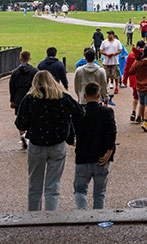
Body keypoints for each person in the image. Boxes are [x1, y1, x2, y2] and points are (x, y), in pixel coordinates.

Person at [15, 71, 84, 211]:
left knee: (35, 185)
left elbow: (20, 124)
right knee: (53, 186)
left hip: (36, 144)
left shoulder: (30, 99)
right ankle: (50, 217)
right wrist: (67, 122)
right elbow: (80, 111)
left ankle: (33, 217)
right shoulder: (62, 97)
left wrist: (31, 123)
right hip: (57, 144)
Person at [72, 82, 116, 210]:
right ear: (98, 95)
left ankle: (83, 212)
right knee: (99, 194)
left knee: (80, 191)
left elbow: (71, 129)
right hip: (101, 156)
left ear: (84, 95)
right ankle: (97, 217)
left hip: (83, 156)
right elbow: (111, 132)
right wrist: (109, 151)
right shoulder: (107, 112)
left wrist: (72, 140)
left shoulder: (79, 113)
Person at [9, 51, 37, 150]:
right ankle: (29, 137)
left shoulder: (15, 72)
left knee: (20, 118)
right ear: (30, 58)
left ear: (20, 59)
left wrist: (12, 100)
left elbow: (12, 88)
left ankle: (22, 136)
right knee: (31, 117)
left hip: (18, 98)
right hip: (31, 97)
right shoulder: (35, 71)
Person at [128, 44, 147, 132]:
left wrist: (137, 60)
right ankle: (145, 122)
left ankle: (141, 118)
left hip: (140, 86)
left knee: (141, 104)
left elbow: (131, 72)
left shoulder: (138, 62)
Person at [123, 40, 144, 123]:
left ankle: (133, 111)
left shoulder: (131, 55)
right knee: (142, 99)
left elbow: (127, 67)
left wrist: (125, 79)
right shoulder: (145, 55)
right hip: (142, 79)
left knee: (135, 97)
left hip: (133, 79)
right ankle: (139, 116)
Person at [100, 30, 123, 96]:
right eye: (108, 34)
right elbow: (101, 50)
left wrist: (115, 54)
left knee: (116, 76)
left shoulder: (117, 42)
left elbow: (120, 50)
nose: (109, 35)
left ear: (113, 35)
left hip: (115, 62)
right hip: (106, 62)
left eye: (110, 34)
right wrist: (106, 54)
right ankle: (106, 88)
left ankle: (116, 88)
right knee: (106, 77)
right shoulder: (104, 42)